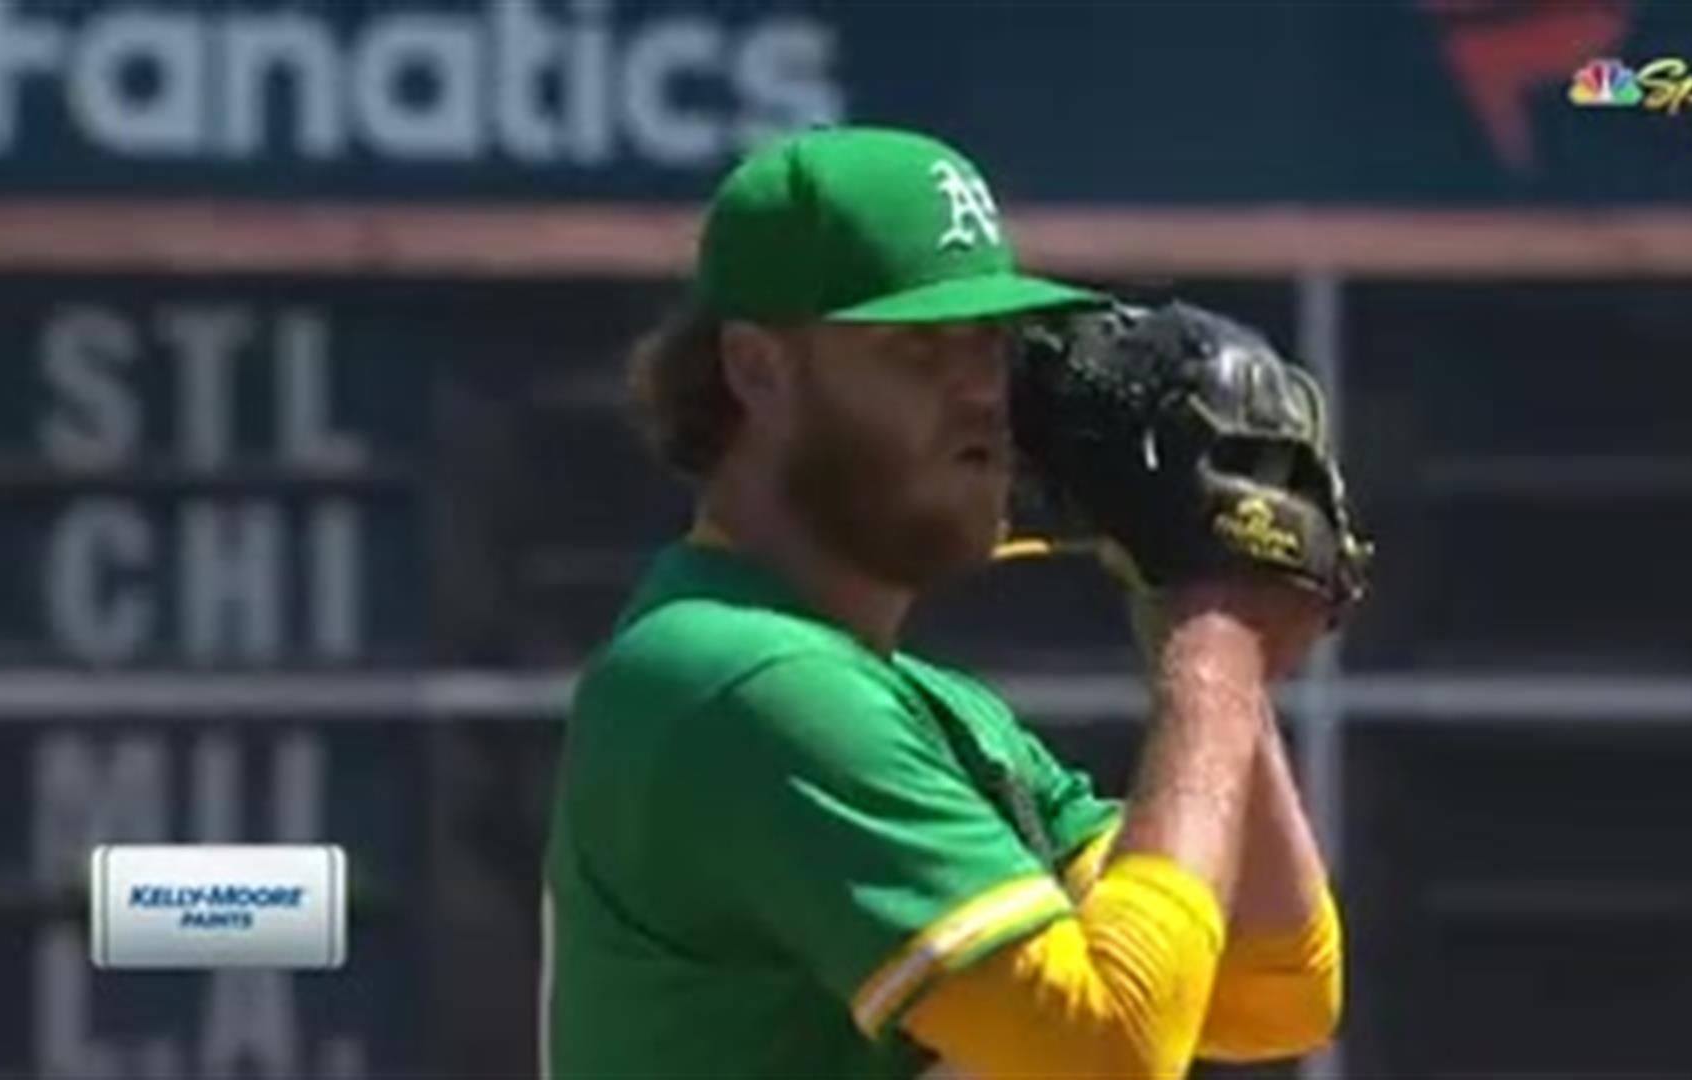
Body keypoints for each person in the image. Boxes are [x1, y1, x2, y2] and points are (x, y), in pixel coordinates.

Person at [542, 125, 1343, 1078]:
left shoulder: (935, 713)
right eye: (919, 346)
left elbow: (1274, 987)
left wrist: (1199, 593)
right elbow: (1107, 1051)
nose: (978, 392)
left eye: (989, 343)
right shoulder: (746, 682)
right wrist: (1217, 654)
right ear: (757, 369)